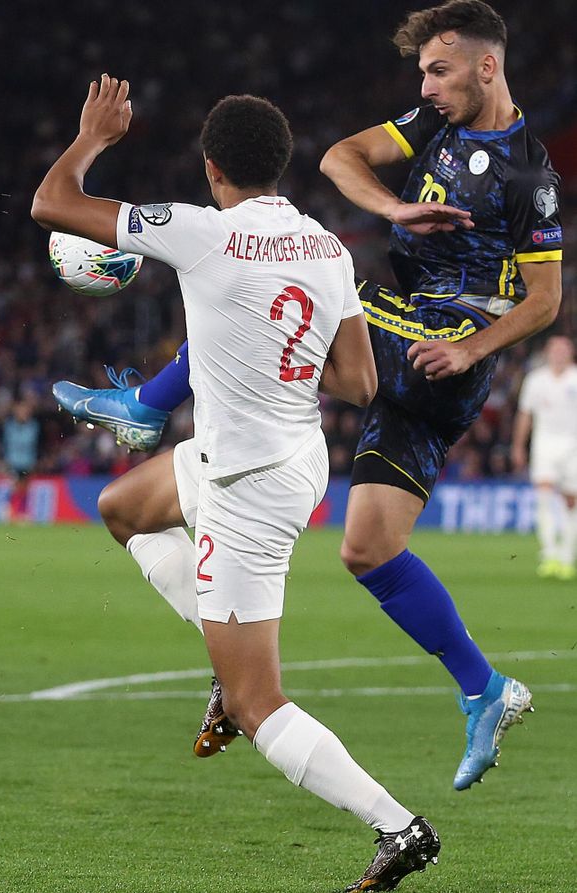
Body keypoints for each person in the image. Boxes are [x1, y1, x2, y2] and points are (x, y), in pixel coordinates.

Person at [53, 0, 556, 792]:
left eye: (438, 69)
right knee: (369, 549)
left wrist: (471, 346)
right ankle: (485, 688)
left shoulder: (530, 172)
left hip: (442, 340)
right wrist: (394, 206)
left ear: (486, 66)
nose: (424, 85)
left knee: (282, 268)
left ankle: (148, 402)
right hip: (413, 369)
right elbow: (338, 158)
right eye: (421, 71)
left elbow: (546, 299)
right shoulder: (434, 124)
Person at [33, 77, 440, 891]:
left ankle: (400, 827)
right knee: (123, 507)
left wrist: (94, 138)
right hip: (294, 455)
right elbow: (359, 382)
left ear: (212, 168)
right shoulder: (327, 247)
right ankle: (222, 657)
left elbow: (53, 203)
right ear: (282, 166)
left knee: (259, 707)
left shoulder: (199, 231)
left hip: (246, 483)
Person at [511, 335, 577, 580]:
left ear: (570, 353)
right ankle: (549, 554)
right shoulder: (536, 380)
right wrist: (518, 446)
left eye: (563, 349)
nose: (559, 353)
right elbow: (525, 415)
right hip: (544, 445)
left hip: (573, 447)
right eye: (555, 349)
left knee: (571, 503)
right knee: (544, 497)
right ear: (547, 353)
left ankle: (566, 556)